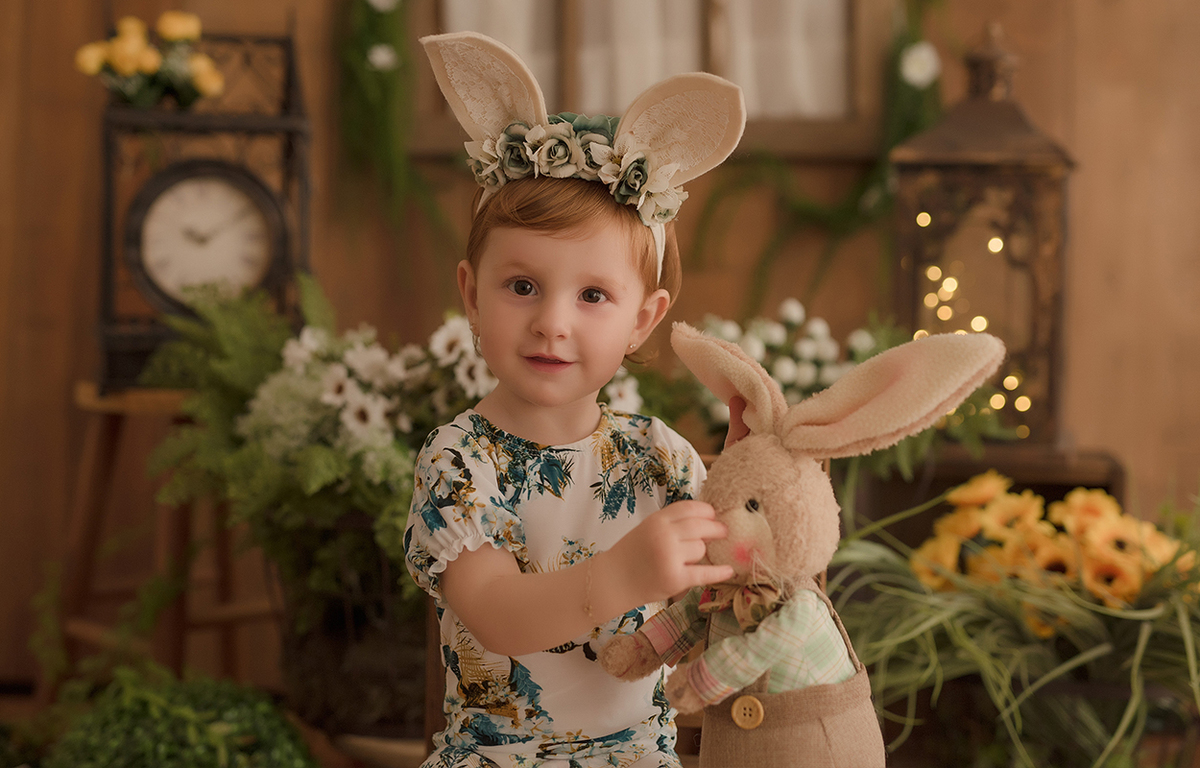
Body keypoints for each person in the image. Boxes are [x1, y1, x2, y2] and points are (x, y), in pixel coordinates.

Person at [405, 31, 746, 768]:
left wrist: (753, 478)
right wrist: (621, 575)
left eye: (593, 295)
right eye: (522, 286)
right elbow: (497, 616)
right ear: (471, 292)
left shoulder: (658, 456)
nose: (552, 321)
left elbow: (738, 571)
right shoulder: (461, 460)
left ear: (641, 321)